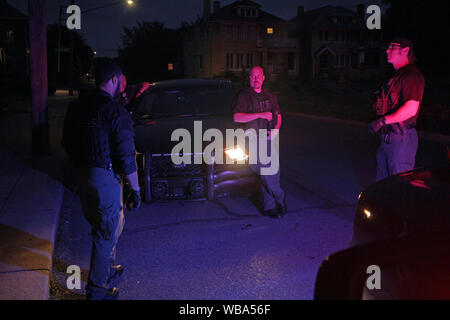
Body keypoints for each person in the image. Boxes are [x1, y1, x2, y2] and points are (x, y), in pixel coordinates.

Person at [62, 59, 141, 300]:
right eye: (122, 81)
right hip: (104, 176)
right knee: (105, 233)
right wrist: (135, 189)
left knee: (106, 224)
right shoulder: (115, 112)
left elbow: (66, 142)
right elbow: (127, 157)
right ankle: (96, 292)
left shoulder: (77, 107)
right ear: (115, 80)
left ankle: (107, 267)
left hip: (81, 174)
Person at [233, 66, 286, 218]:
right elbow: (237, 117)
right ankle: (280, 198)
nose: (256, 79)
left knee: (272, 171)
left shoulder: (270, 95)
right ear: (249, 78)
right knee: (264, 171)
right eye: (253, 76)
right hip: (251, 138)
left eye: (258, 76)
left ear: (263, 78)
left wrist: (275, 131)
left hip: (268, 137)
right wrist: (261, 115)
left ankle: (270, 207)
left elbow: (278, 116)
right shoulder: (244, 95)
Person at [368, 38, 425, 181]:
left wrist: (381, 122)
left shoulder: (412, 76)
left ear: (405, 50)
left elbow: (411, 109)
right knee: (383, 184)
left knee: (400, 185)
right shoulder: (396, 77)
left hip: (401, 139)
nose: (387, 50)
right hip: (388, 138)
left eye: (391, 47)